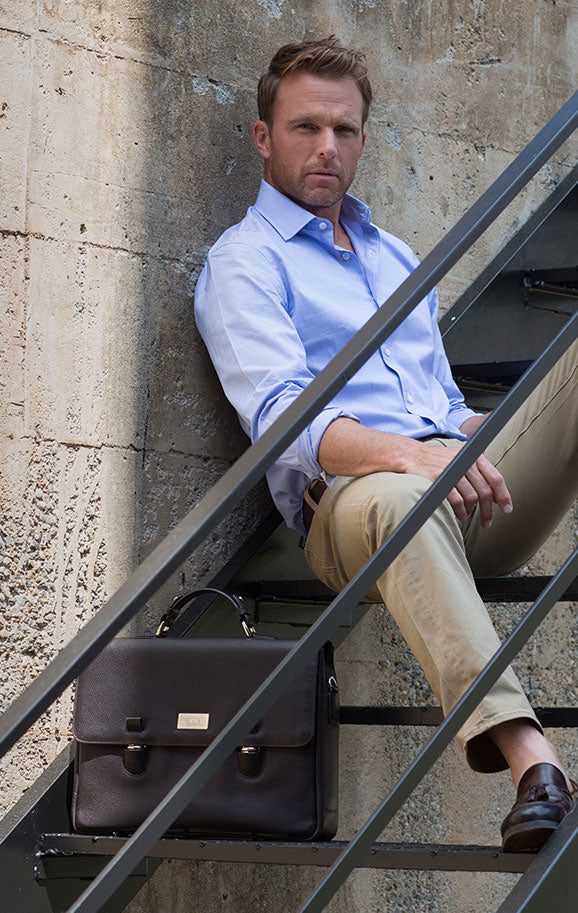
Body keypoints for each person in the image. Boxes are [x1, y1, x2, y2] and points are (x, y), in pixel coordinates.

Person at [194, 36, 577, 851]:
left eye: (344, 129)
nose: (326, 148)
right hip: (353, 512)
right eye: (305, 127)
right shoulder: (245, 263)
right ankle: (532, 759)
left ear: (365, 137)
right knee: (404, 496)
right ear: (264, 136)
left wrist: (479, 436)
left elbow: (443, 406)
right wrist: (413, 456)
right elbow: (285, 422)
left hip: (463, 487)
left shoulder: (396, 255)